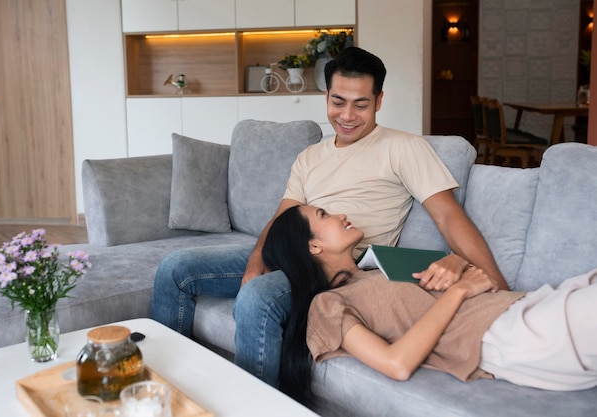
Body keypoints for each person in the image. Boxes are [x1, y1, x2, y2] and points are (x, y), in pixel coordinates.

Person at [151, 46, 508, 387]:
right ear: (326, 98)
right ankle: (164, 384)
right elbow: (284, 216)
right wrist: (256, 260)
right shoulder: (310, 156)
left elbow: (447, 216)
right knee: (175, 269)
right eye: (338, 102)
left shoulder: (404, 148)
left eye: (361, 104)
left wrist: (494, 279)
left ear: (379, 102)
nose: (347, 116)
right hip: (296, 249)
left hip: (336, 265)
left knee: (259, 297)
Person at [262, 204, 597, 405]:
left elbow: (486, 282)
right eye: (324, 215)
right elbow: (397, 364)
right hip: (510, 333)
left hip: (533, 303)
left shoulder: (383, 263)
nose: (341, 214)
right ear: (313, 247)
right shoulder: (327, 305)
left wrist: (456, 262)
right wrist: (459, 291)